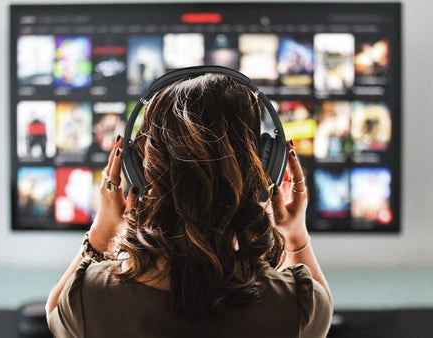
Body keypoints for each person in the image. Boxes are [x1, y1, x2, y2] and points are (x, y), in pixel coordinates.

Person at [46, 74, 333, 337]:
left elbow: (56, 314)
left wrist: (103, 232)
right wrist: (296, 237)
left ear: (139, 175)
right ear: (263, 170)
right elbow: (321, 315)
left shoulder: (89, 297)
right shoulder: (298, 303)